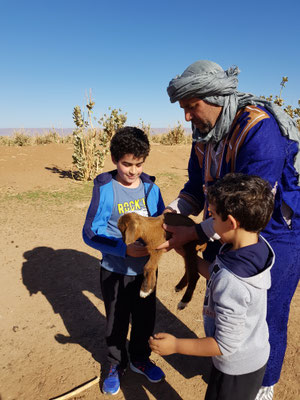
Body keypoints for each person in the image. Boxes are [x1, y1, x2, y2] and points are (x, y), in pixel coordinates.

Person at [158, 60, 300, 399]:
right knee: (224, 298)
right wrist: (175, 212)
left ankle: (262, 386)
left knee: (267, 316)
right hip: (224, 226)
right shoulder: (204, 134)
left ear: (216, 98)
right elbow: (196, 185)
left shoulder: (259, 131)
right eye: (184, 109)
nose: (187, 117)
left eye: (191, 107)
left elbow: (251, 207)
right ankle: (228, 359)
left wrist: (193, 234)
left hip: (273, 233)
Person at [150, 173, 275, 400]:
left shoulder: (233, 282)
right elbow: (218, 273)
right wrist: (193, 261)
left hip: (237, 366)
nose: (210, 223)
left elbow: (223, 345)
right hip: (248, 354)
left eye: (214, 217)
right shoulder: (253, 249)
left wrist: (176, 345)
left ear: (232, 223)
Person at [82, 126, 165, 395]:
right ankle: (115, 364)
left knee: (144, 319)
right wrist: (122, 249)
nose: (133, 171)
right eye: (126, 164)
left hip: (146, 273)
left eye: (139, 164)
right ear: (115, 160)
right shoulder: (106, 188)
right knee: (116, 322)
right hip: (115, 270)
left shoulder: (151, 188)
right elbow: (90, 233)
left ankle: (140, 358)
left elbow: (162, 223)